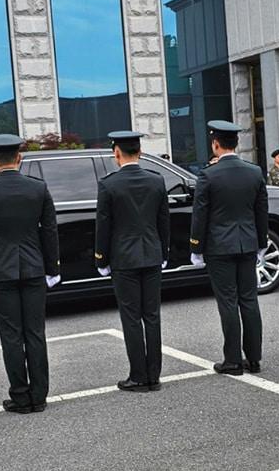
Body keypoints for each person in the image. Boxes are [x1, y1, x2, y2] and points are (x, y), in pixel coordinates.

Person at [0, 134, 61, 413]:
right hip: (34, 268)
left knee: (11, 335)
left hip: (0, 271)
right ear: (19, 158)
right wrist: (52, 268)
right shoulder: (38, 187)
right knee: (35, 332)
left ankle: (20, 396)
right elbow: (50, 231)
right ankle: (39, 395)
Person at [190, 120, 268, 376]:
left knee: (228, 302)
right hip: (247, 243)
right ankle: (254, 358)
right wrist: (261, 243)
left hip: (219, 246)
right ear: (236, 143)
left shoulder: (208, 175)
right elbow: (261, 212)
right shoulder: (254, 172)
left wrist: (196, 247)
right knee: (249, 300)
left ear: (215, 143)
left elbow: (200, 215)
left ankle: (233, 360)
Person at [94, 131, 171, 392]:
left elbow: (103, 226)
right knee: (152, 316)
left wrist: (101, 258)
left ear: (117, 153)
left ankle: (138, 376)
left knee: (131, 317)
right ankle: (154, 375)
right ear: (139, 152)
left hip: (123, 258)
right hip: (151, 254)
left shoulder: (108, 184)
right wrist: (164, 253)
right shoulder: (156, 180)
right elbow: (164, 221)